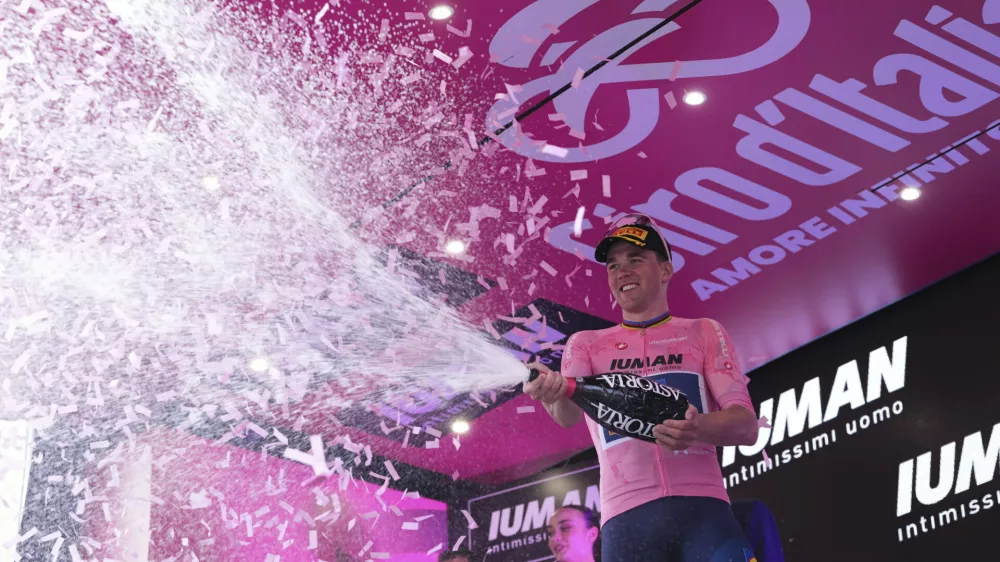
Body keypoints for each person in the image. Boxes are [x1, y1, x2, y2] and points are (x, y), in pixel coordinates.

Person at [524, 213, 760, 562]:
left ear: (665, 270)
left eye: (635, 260)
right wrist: (548, 392)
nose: (623, 272)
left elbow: (746, 426)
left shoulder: (703, 331)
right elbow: (567, 414)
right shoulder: (586, 343)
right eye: (613, 266)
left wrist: (696, 428)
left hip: (705, 512)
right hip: (627, 520)